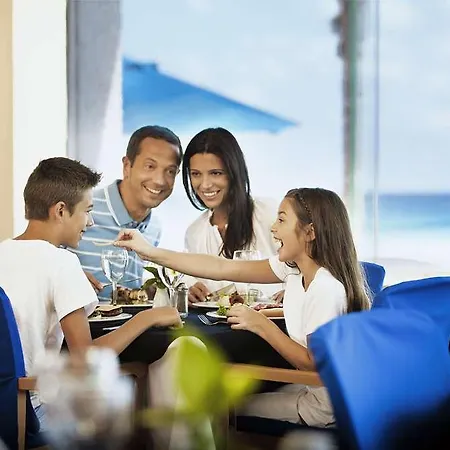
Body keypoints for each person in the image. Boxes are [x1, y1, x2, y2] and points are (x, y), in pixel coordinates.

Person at [114, 187, 371, 427]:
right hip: (315, 391)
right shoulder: (295, 272)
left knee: (220, 408)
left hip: (323, 406)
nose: (273, 228)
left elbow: (312, 364)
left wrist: (262, 325)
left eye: (282, 220)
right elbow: (222, 267)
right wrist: (149, 252)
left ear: (310, 232)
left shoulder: (325, 288)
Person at [0, 157, 181, 426]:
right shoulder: (62, 262)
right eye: (87, 211)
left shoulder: (4, 251)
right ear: (61, 211)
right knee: (134, 382)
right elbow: (86, 360)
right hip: (31, 412)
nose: (91, 222)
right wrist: (148, 317)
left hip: (5, 409)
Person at [72, 125, 183, 302]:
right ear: (127, 166)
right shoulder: (81, 207)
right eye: (150, 166)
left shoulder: (154, 227)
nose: (159, 180)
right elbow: (36, 262)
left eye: (170, 171)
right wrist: (65, 278)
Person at [182, 127, 283, 303]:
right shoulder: (194, 232)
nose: (205, 185)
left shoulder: (269, 213)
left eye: (216, 173)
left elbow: (306, 267)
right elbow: (193, 283)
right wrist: (190, 289)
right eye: (196, 174)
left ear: (234, 172)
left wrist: (293, 291)